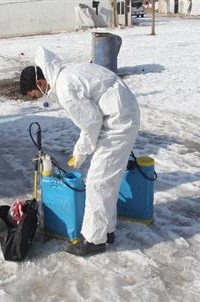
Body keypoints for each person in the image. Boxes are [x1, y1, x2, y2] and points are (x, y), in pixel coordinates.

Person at [20, 47, 140, 256]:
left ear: (40, 84)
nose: (39, 98)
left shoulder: (65, 87)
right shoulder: (68, 74)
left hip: (118, 122)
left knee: (97, 182)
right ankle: (106, 231)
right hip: (119, 115)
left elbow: (91, 122)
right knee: (107, 181)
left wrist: (80, 152)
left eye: (34, 95)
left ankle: (94, 240)